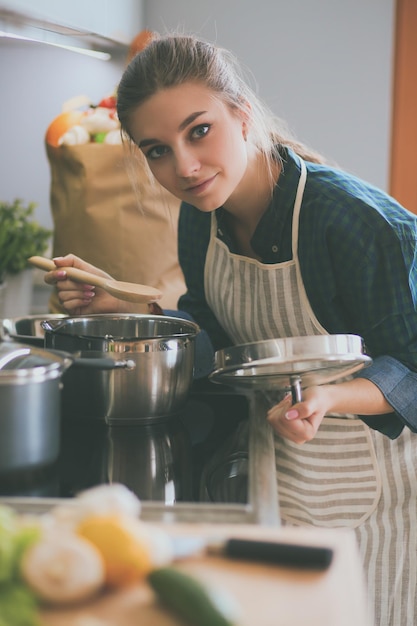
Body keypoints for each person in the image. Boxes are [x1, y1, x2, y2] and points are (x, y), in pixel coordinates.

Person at [44, 33, 417, 626]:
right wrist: (120, 309)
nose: (184, 168)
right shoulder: (201, 223)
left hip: (384, 497)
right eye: (157, 150)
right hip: (284, 466)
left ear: (241, 116)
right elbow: (216, 336)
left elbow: (414, 367)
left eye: (199, 131)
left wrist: (329, 397)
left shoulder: (352, 222)